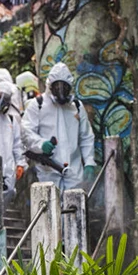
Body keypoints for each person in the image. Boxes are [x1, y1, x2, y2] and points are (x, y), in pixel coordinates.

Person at [21, 62, 96, 191]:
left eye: (64, 87)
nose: (61, 91)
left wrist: (89, 162)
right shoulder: (38, 105)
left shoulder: (77, 107)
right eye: (57, 87)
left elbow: (86, 137)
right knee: (50, 206)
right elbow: (26, 132)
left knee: (74, 207)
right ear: (50, 86)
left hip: (74, 170)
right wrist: (41, 144)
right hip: (47, 170)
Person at [0, 80, 27, 206]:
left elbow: (17, 145)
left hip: (7, 167)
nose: (1, 102)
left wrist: (20, 164)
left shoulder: (11, 120)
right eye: (0, 97)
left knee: (9, 192)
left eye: (5, 99)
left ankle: (0, 221)